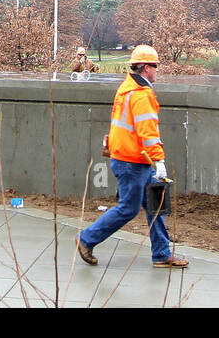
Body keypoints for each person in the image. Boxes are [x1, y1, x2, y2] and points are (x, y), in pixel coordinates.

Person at [76, 45, 188, 269]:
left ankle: (162, 254)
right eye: (155, 66)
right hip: (134, 161)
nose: (157, 71)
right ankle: (87, 239)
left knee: (154, 205)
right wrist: (160, 161)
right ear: (146, 68)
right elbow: (148, 133)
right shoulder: (142, 95)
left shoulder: (126, 88)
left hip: (129, 157)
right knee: (128, 208)